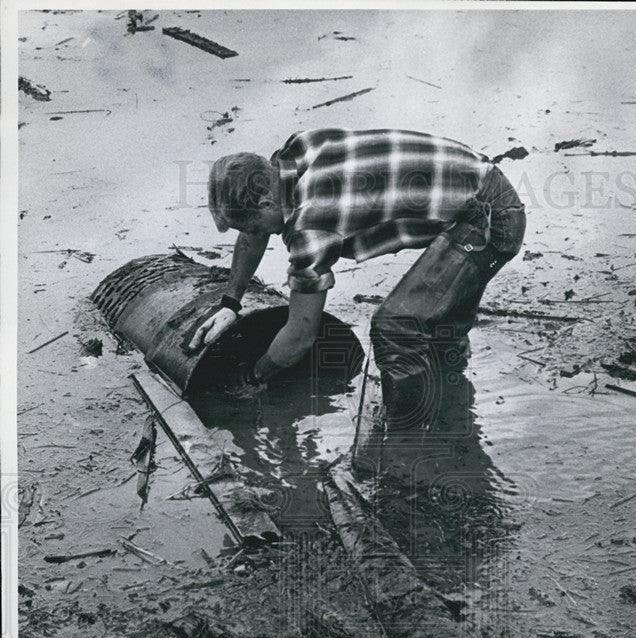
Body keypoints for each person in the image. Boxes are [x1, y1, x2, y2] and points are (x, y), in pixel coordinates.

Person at [187, 128, 525, 426]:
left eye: (251, 225)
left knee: (396, 327)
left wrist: (252, 377)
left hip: (489, 219)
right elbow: (254, 235)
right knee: (437, 336)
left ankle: (403, 440)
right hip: (479, 183)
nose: (257, 234)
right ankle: (450, 414)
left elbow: (301, 335)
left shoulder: (311, 223)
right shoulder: (296, 152)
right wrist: (230, 302)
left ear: (263, 203)